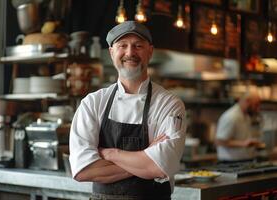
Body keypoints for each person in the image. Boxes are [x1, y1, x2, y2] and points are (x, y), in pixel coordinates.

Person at [69, 21, 186, 200]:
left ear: (150, 51)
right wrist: (145, 160)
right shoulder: (93, 103)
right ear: (111, 52)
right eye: (122, 45)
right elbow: (82, 170)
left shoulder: (169, 104)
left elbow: (161, 167)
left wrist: (110, 153)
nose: (130, 53)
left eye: (138, 46)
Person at [215, 91, 264, 162]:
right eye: (256, 105)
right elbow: (219, 141)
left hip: (246, 161)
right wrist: (243, 143)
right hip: (230, 163)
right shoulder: (231, 117)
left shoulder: (246, 116)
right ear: (247, 101)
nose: (257, 108)